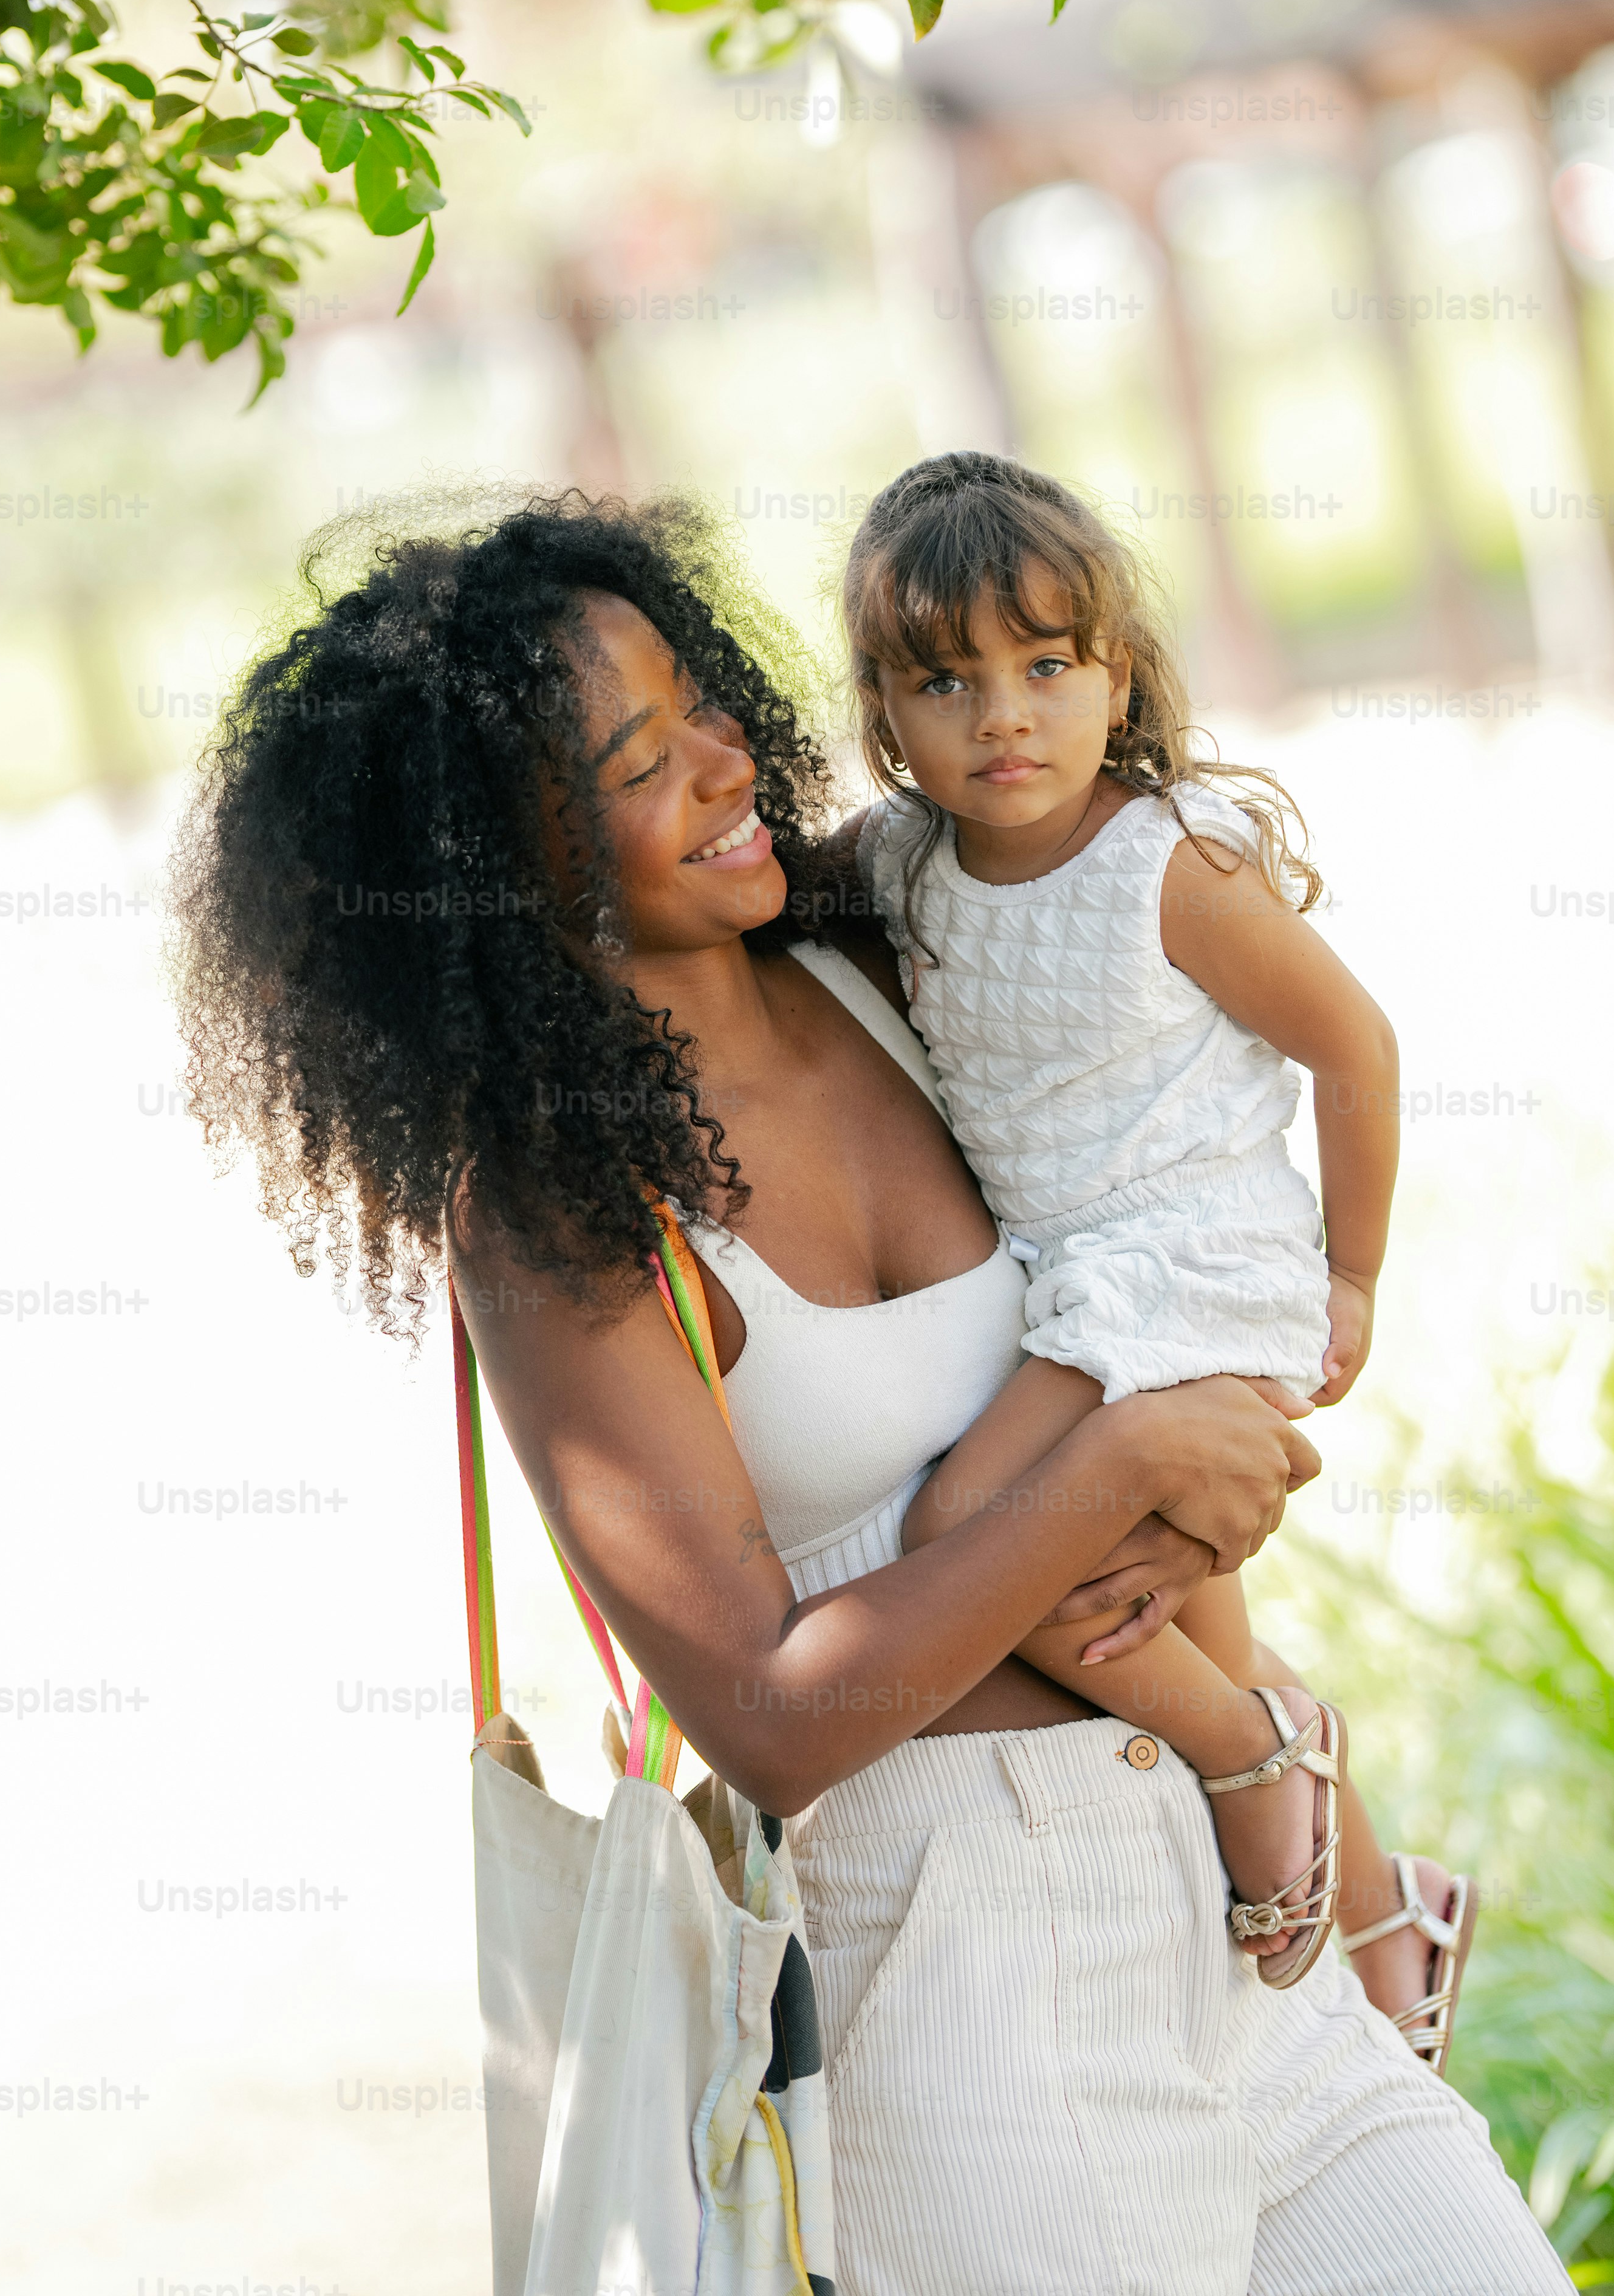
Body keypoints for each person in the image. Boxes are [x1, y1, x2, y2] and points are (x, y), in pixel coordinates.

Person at [168, 494, 1567, 2296]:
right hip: (971, 1997)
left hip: (1235, 1903)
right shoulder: (558, 1207)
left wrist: (1245, 1418)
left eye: (702, 701)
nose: (720, 760)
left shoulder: (881, 948)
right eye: (634, 759)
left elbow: (1153, 1184)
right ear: (499, 861)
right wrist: (1130, 1456)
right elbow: (769, 1711)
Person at [813, 450, 1472, 2060]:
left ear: (1119, 669)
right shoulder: (902, 866)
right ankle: (1382, 1933)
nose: (1004, 717)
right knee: (1160, 1595)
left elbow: (1359, 1050)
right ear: (886, 710)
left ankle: (1258, 1764)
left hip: (1194, 1267)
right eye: (948, 682)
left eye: (1048, 666)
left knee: (982, 1531)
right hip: (1069, 1285)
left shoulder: (1165, 866)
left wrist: (1355, 1275)